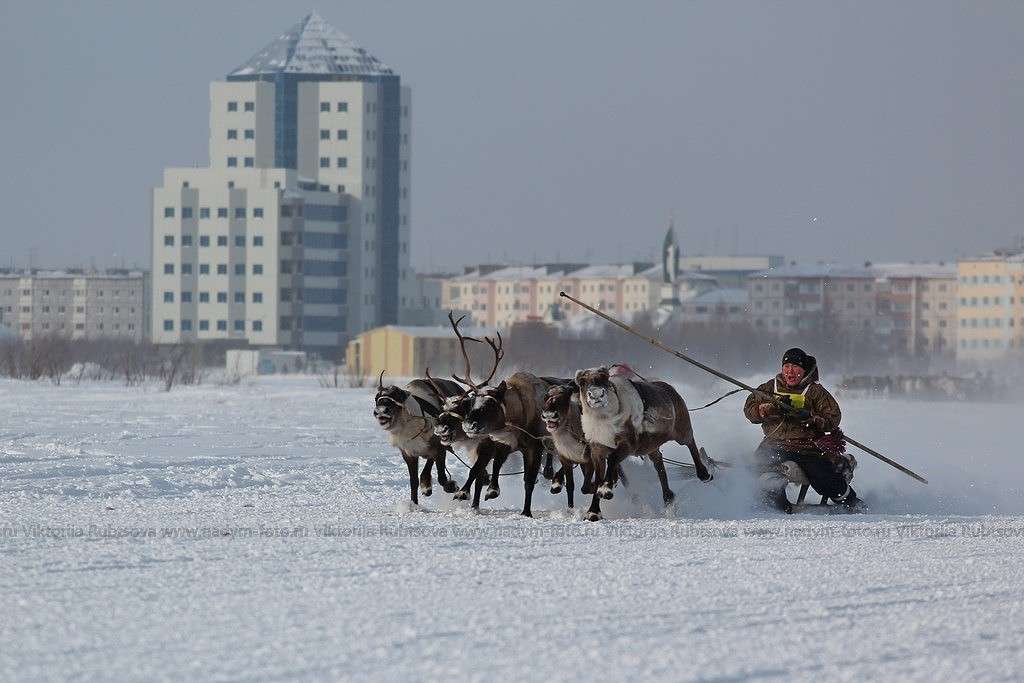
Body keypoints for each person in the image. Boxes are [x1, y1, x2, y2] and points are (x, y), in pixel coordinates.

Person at [743, 348, 861, 513]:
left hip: (806, 448)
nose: (790, 371)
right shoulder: (770, 387)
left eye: (795, 367)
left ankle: (850, 500)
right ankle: (777, 506)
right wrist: (767, 409)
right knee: (757, 470)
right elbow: (749, 410)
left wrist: (812, 419)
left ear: (804, 370)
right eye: (786, 366)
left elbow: (833, 418)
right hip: (773, 444)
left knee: (824, 480)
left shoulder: (814, 391)